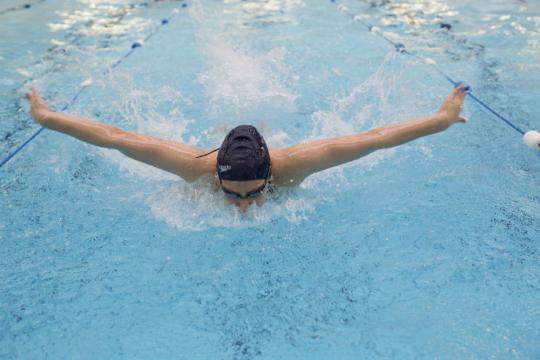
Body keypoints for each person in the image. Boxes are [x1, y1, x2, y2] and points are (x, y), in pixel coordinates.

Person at [26, 85, 468, 211]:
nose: (243, 207)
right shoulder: (193, 166)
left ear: (272, 174)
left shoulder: (297, 164)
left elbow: (375, 139)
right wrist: (47, 118)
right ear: (215, 175)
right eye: (232, 194)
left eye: (255, 193)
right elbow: (116, 138)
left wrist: (441, 120)